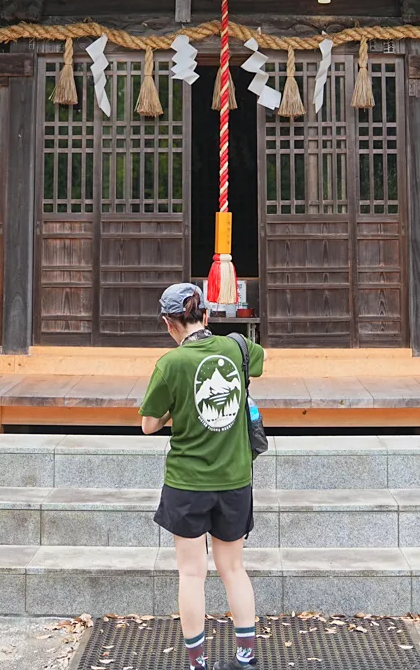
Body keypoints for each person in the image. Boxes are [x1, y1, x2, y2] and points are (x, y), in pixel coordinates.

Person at [140, 282, 265, 670]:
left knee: (192, 573)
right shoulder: (236, 348)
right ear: (206, 315)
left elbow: (148, 425)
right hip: (234, 478)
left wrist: (175, 414)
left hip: (187, 483)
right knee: (234, 569)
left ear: (168, 324)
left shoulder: (170, 365)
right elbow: (257, 362)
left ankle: (197, 662)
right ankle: (245, 656)